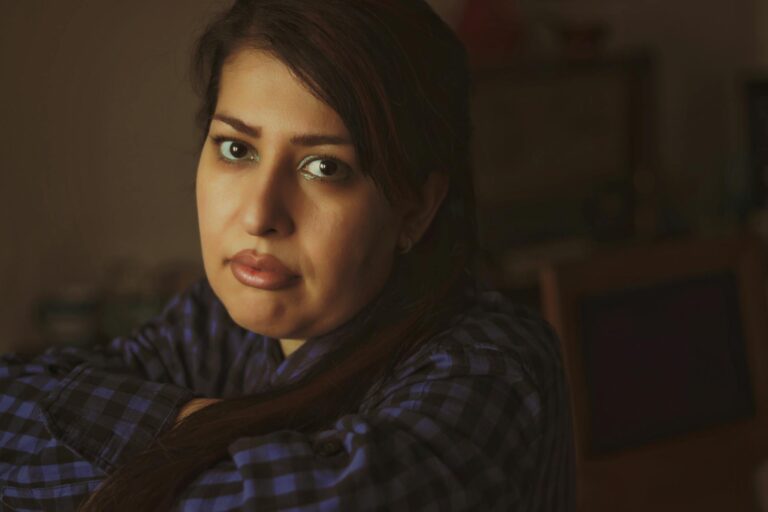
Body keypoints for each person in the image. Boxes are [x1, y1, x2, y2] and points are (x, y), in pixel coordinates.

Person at [0, 0, 574, 510]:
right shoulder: (216, 324)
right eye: (236, 149)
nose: (259, 216)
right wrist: (200, 423)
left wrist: (190, 438)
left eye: (324, 167)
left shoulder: (491, 366)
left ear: (415, 210)